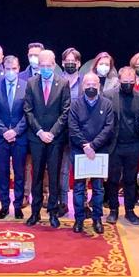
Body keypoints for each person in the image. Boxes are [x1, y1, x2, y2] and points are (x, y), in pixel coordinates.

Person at [23, 49, 71, 228]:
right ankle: (35, 212)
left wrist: (52, 132)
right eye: (41, 65)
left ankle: (52, 211)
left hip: (55, 138)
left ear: (54, 64)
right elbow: (28, 110)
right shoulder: (31, 83)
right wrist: (40, 132)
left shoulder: (63, 83)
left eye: (48, 65)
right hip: (36, 138)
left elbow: (66, 111)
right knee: (36, 176)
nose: (44, 68)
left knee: (53, 176)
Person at [68, 72, 116, 234]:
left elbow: (109, 128)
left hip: (99, 151)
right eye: (87, 84)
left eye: (94, 84)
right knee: (79, 188)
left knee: (98, 188)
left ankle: (97, 219)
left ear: (99, 86)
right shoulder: (75, 104)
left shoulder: (107, 104)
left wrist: (93, 146)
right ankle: (79, 219)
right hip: (79, 150)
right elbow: (72, 127)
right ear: (83, 87)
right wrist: (84, 146)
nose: (90, 87)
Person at [104, 67, 139, 225]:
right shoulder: (108, 95)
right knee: (113, 180)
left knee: (130, 180)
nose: (128, 84)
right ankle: (113, 209)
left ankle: (130, 210)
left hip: (133, 145)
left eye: (131, 82)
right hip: (114, 145)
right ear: (119, 80)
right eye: (125, 82)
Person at [0, 55, 28, 219]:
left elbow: (29, 113)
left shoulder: (27, 87)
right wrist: (4, 131)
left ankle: (18, 205)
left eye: (14, 69)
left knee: (20, 173)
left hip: (20, 137)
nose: (11, 72)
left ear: (19, 68)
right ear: (3, 69)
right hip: (1, 137)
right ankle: (4, 205)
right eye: (8, 69)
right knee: (3, 173)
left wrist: (16, 131)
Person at [56, 47, 84, 214]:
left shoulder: (86, 82)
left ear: (79, 63)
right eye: (67, 61)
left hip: (81, 133)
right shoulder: (57, 81)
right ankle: (63, 203)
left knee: (82, 170)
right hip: (61, 132)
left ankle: (82, 205)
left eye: (74, 62)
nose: (70, 64)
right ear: (62, 63)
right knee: (63, 170)